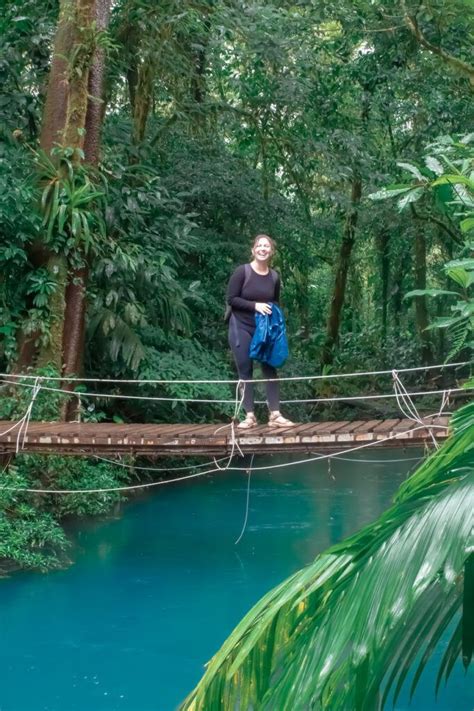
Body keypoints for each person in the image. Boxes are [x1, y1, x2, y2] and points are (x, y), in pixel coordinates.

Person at [226, 234, 294, 429]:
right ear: (253, 250)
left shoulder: (274, 276)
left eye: (267, 246)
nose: (263, 249)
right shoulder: (242, 272)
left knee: (269, 368)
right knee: (245, 370)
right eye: (259, 246)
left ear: (271, 252)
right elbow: (231, 299)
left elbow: (275, 302)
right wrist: (255, 306)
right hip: (241, 326)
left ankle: (275, 414)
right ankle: (249, 416)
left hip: (265, 328)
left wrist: (277, 327)